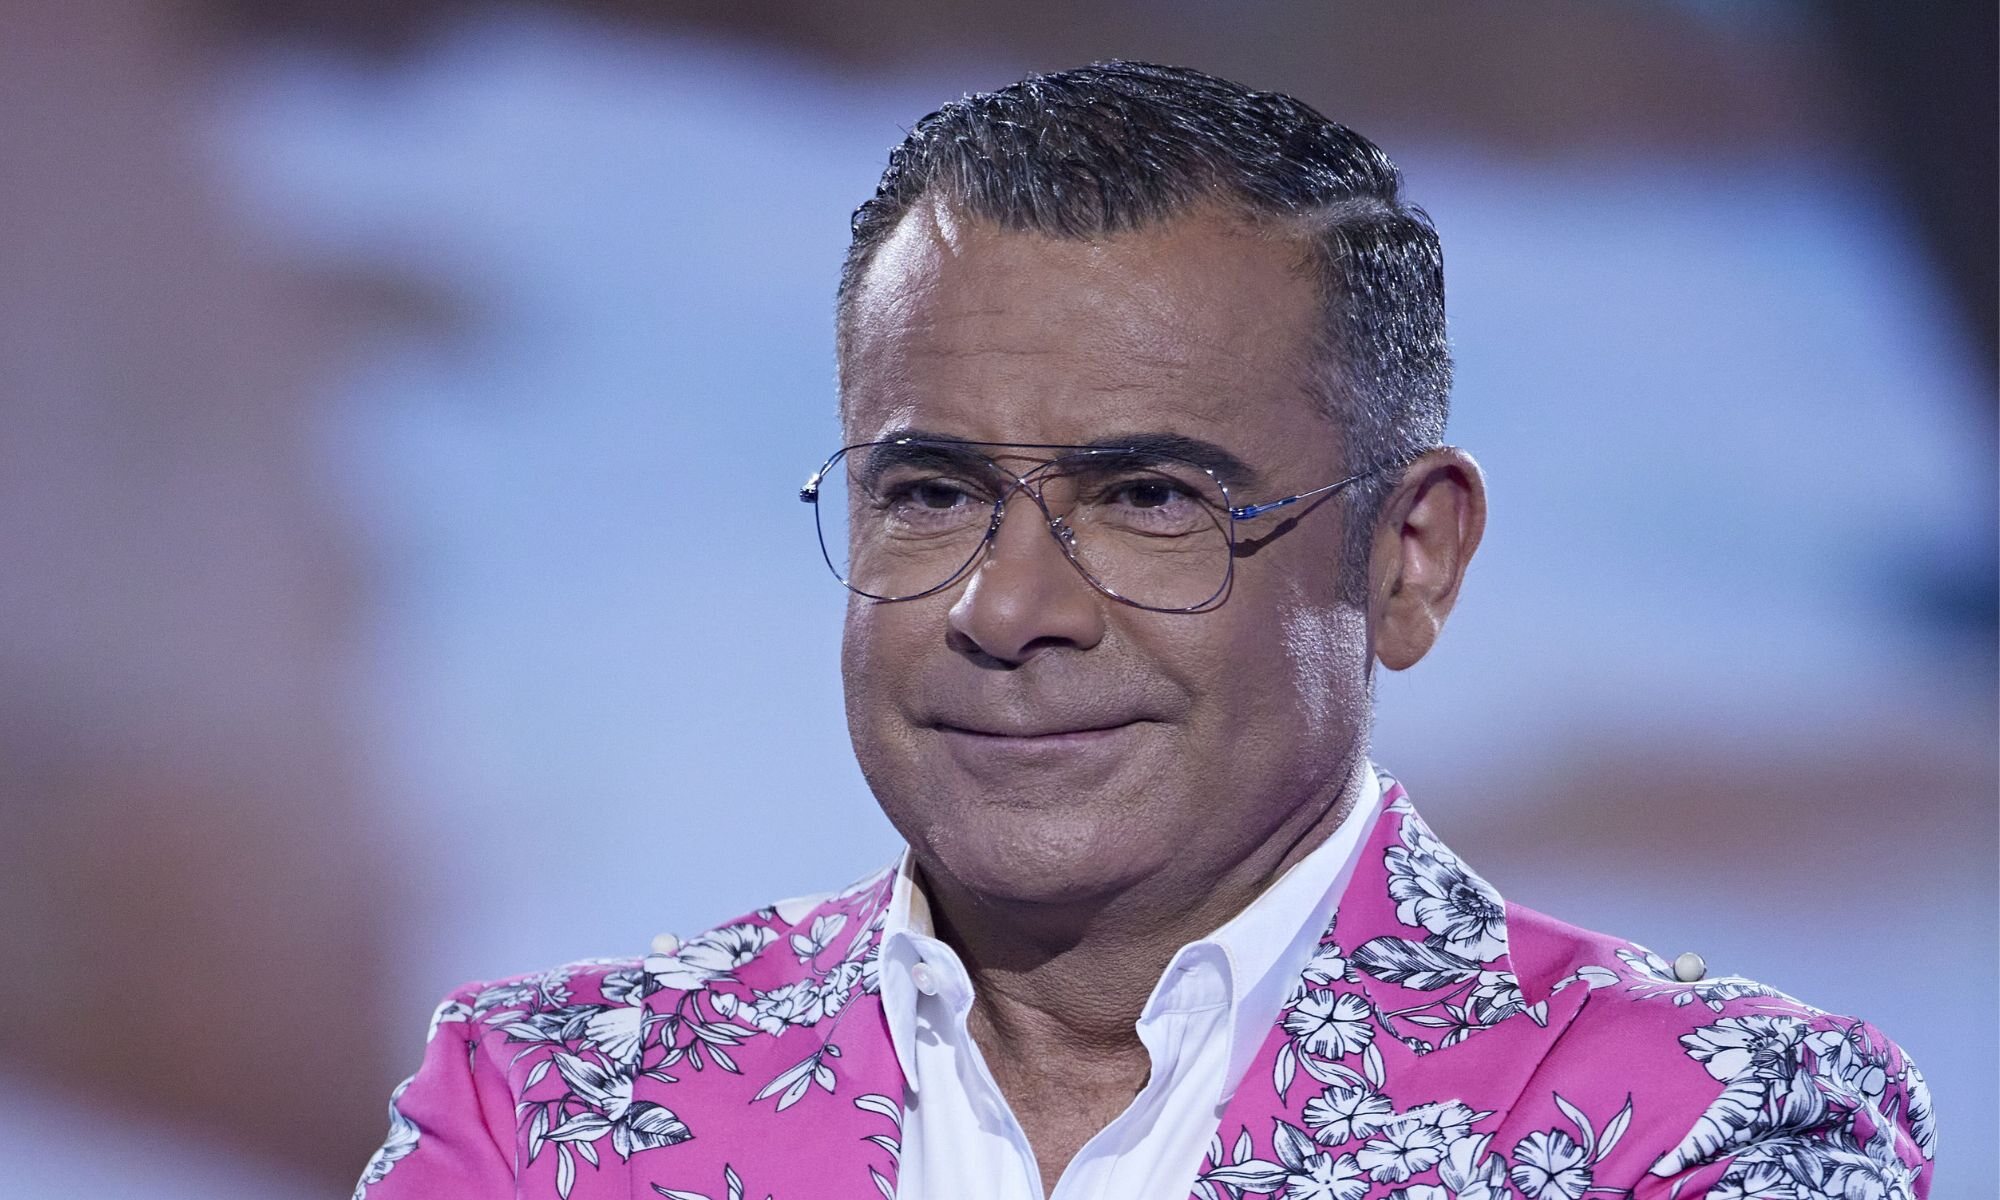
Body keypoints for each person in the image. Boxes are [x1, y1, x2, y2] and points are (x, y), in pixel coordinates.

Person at [353, 62, 1933, 1200]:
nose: (1005, 609)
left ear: (1410, 562)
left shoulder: (1705, 1127)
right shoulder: (544, 1108)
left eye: (1151, 500)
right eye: (930, 493)